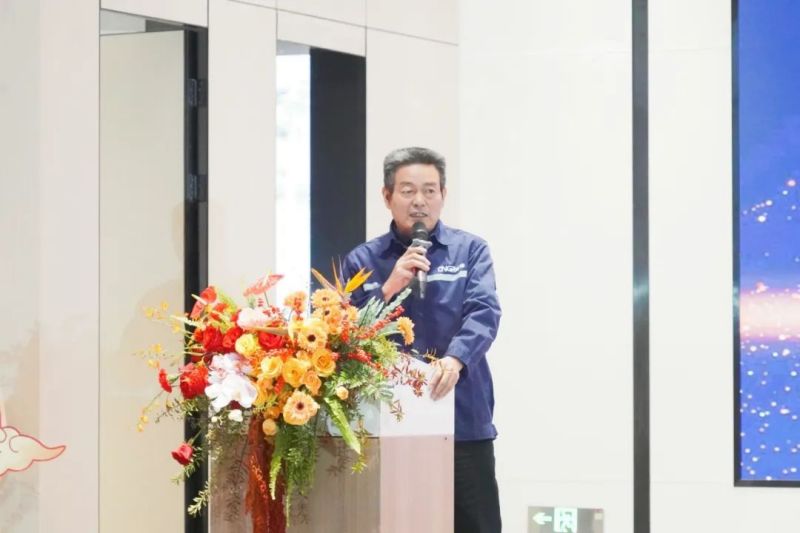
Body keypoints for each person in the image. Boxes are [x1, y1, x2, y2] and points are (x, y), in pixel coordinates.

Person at [342, 146, 502, 533]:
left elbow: (484, 312)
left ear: (443, 195)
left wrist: (455, 359)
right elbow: (344, 336)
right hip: (387, 425)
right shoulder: (362, 261)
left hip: (462, 418)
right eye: (408, 191)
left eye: (430, 191)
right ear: (387, 196)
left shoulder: (470, 250)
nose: (419, 201)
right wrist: (389, 288)